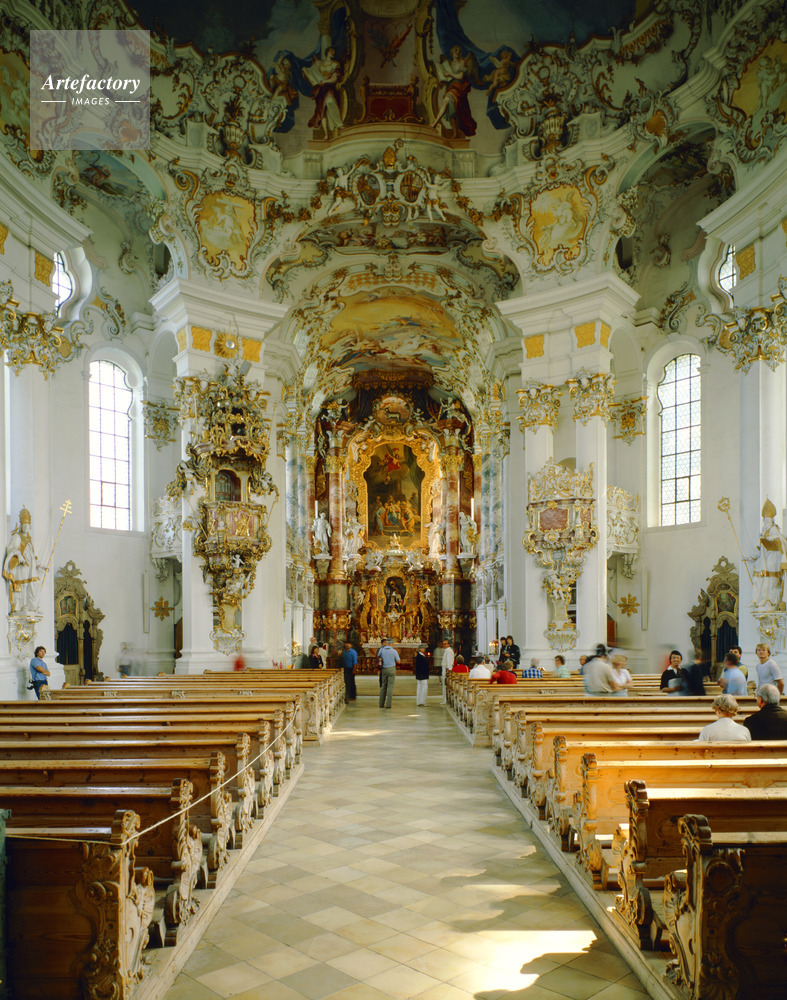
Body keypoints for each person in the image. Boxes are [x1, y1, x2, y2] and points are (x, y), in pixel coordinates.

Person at [3, 507, 41, 613]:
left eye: (27, 526)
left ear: (30, 527)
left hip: (30, 565)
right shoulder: (17, 536)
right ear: (21, 525)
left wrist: (38, 564)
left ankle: (32, 605)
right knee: (22, 584)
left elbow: (32, 554)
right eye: (23, 525)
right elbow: (11, 548)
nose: (25, 528)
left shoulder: (29, 539)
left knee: (32, 584)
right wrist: (19, 555)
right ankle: (22, 605)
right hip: (21, 564)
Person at [377, 638, 399, 708]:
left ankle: (381, 704)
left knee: (383, 686)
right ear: (392, 643)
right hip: (391, 669)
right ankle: (388, 704)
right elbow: (398, 661)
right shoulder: (394, 651)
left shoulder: (381, 650)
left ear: (387, 643)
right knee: (390, 686)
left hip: (384, 669)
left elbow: (378, 657)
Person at [440, 639, 454, 704]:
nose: (444, 645)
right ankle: (445, 699)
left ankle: (445, 700)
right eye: (443, 644)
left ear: (449, 644)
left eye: (445, 644)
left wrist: (448, 672)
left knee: (445, 685)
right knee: (444, 685)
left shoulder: (449, 651)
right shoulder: (447, 651)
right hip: (445, 669)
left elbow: (449, 662)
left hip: (446, 669)